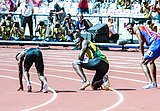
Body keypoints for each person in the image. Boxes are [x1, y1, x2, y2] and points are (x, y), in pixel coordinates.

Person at [126, 22, 160, 89]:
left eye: (130, 29)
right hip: (157, 41)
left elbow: (141, 41)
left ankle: (151, 82)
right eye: (128, 30)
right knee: (151, 61)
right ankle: (154, 83)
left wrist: (142, 55)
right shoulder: (142, 28)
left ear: (133, 26)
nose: (130, 31)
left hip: (156, 42)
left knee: (143, 63)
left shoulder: (137, 29)